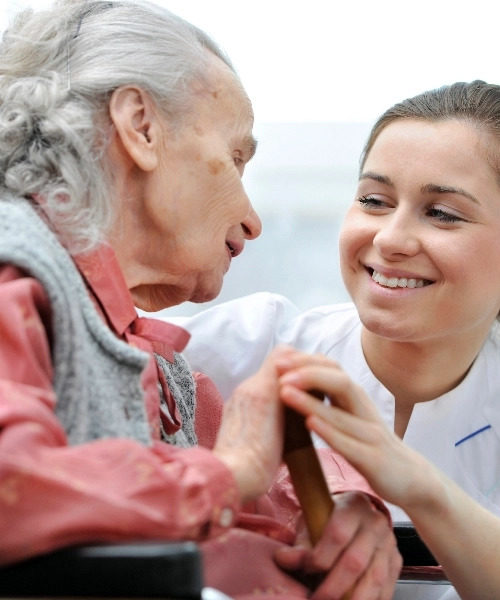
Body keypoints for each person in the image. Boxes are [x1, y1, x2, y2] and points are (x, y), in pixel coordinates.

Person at [0, 1, 403, 598]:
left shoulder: (156, 362)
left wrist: (343, 503)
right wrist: (228, 472)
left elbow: (249, 470)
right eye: (236, 158)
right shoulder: (15, 272)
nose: (252, 220)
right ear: (140, 126)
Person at [168, 80, 500, 599]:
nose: (389, 239)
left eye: (442, 213)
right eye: (373, 200)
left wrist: (420, 488)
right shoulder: (252, 347)